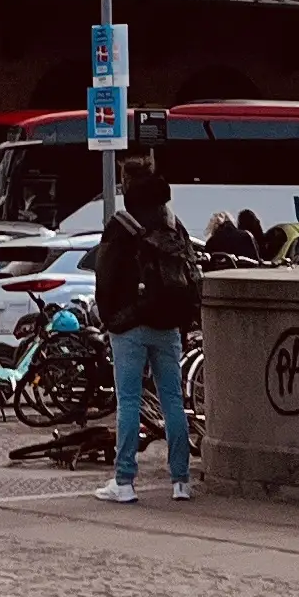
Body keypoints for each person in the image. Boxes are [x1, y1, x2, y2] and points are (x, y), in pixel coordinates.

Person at [90, 155, 200, 506]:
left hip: (131, 324)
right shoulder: (172, 223)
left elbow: (105, 276)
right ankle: (181, 480)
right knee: (172, 401)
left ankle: (124, 481)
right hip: (167, 322)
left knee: (129, 401)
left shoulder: (121, 224)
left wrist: (112, 318)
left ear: (125, 186)